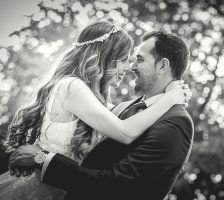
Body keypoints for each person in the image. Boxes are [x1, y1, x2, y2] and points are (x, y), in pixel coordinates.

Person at [0, 21, 191, 200]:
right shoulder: (72, 87)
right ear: (105, 56)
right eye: (124, 59)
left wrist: (171, 99)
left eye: (136, 59)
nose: (129, 67)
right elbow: (125, 131)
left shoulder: (172, 121)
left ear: (163, 65)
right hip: (38, 188)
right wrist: (171, 97)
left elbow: (128, 185)